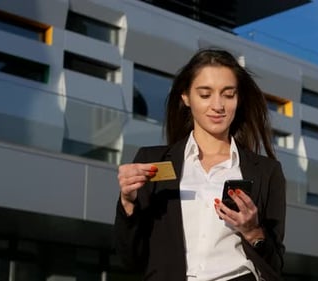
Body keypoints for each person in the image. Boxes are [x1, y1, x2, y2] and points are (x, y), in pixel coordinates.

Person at [115, 48, 286, 281]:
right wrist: (127, 203)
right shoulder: (151, 163)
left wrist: (253, 231)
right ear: (186, 97)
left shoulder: (267, 172)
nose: (218, 105)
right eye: (205, 95)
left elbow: (275, 265)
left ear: (239, 98)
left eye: (228, 94)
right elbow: (131, 259)